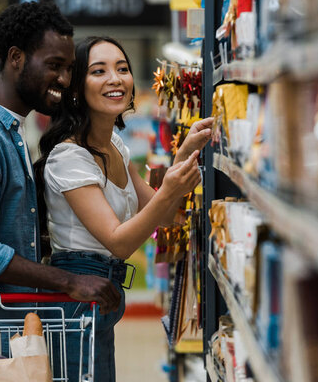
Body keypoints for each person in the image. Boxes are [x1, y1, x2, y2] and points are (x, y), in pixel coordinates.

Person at [0, 2, 121, 358]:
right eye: (53, 66)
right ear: (16, 58)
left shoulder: (8, 132)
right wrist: (70, 281)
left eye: (69, 68)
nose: (64, 79)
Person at [33, 36, 213, 382]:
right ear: (76, 88)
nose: (115, 79)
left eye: (123, 69)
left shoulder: (115, 145)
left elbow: (168, 214)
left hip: (104, 295)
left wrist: (183, 157)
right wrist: (170, 189)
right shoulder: (69, 157)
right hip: (76, 300)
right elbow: (119, 241)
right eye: (98, 71)